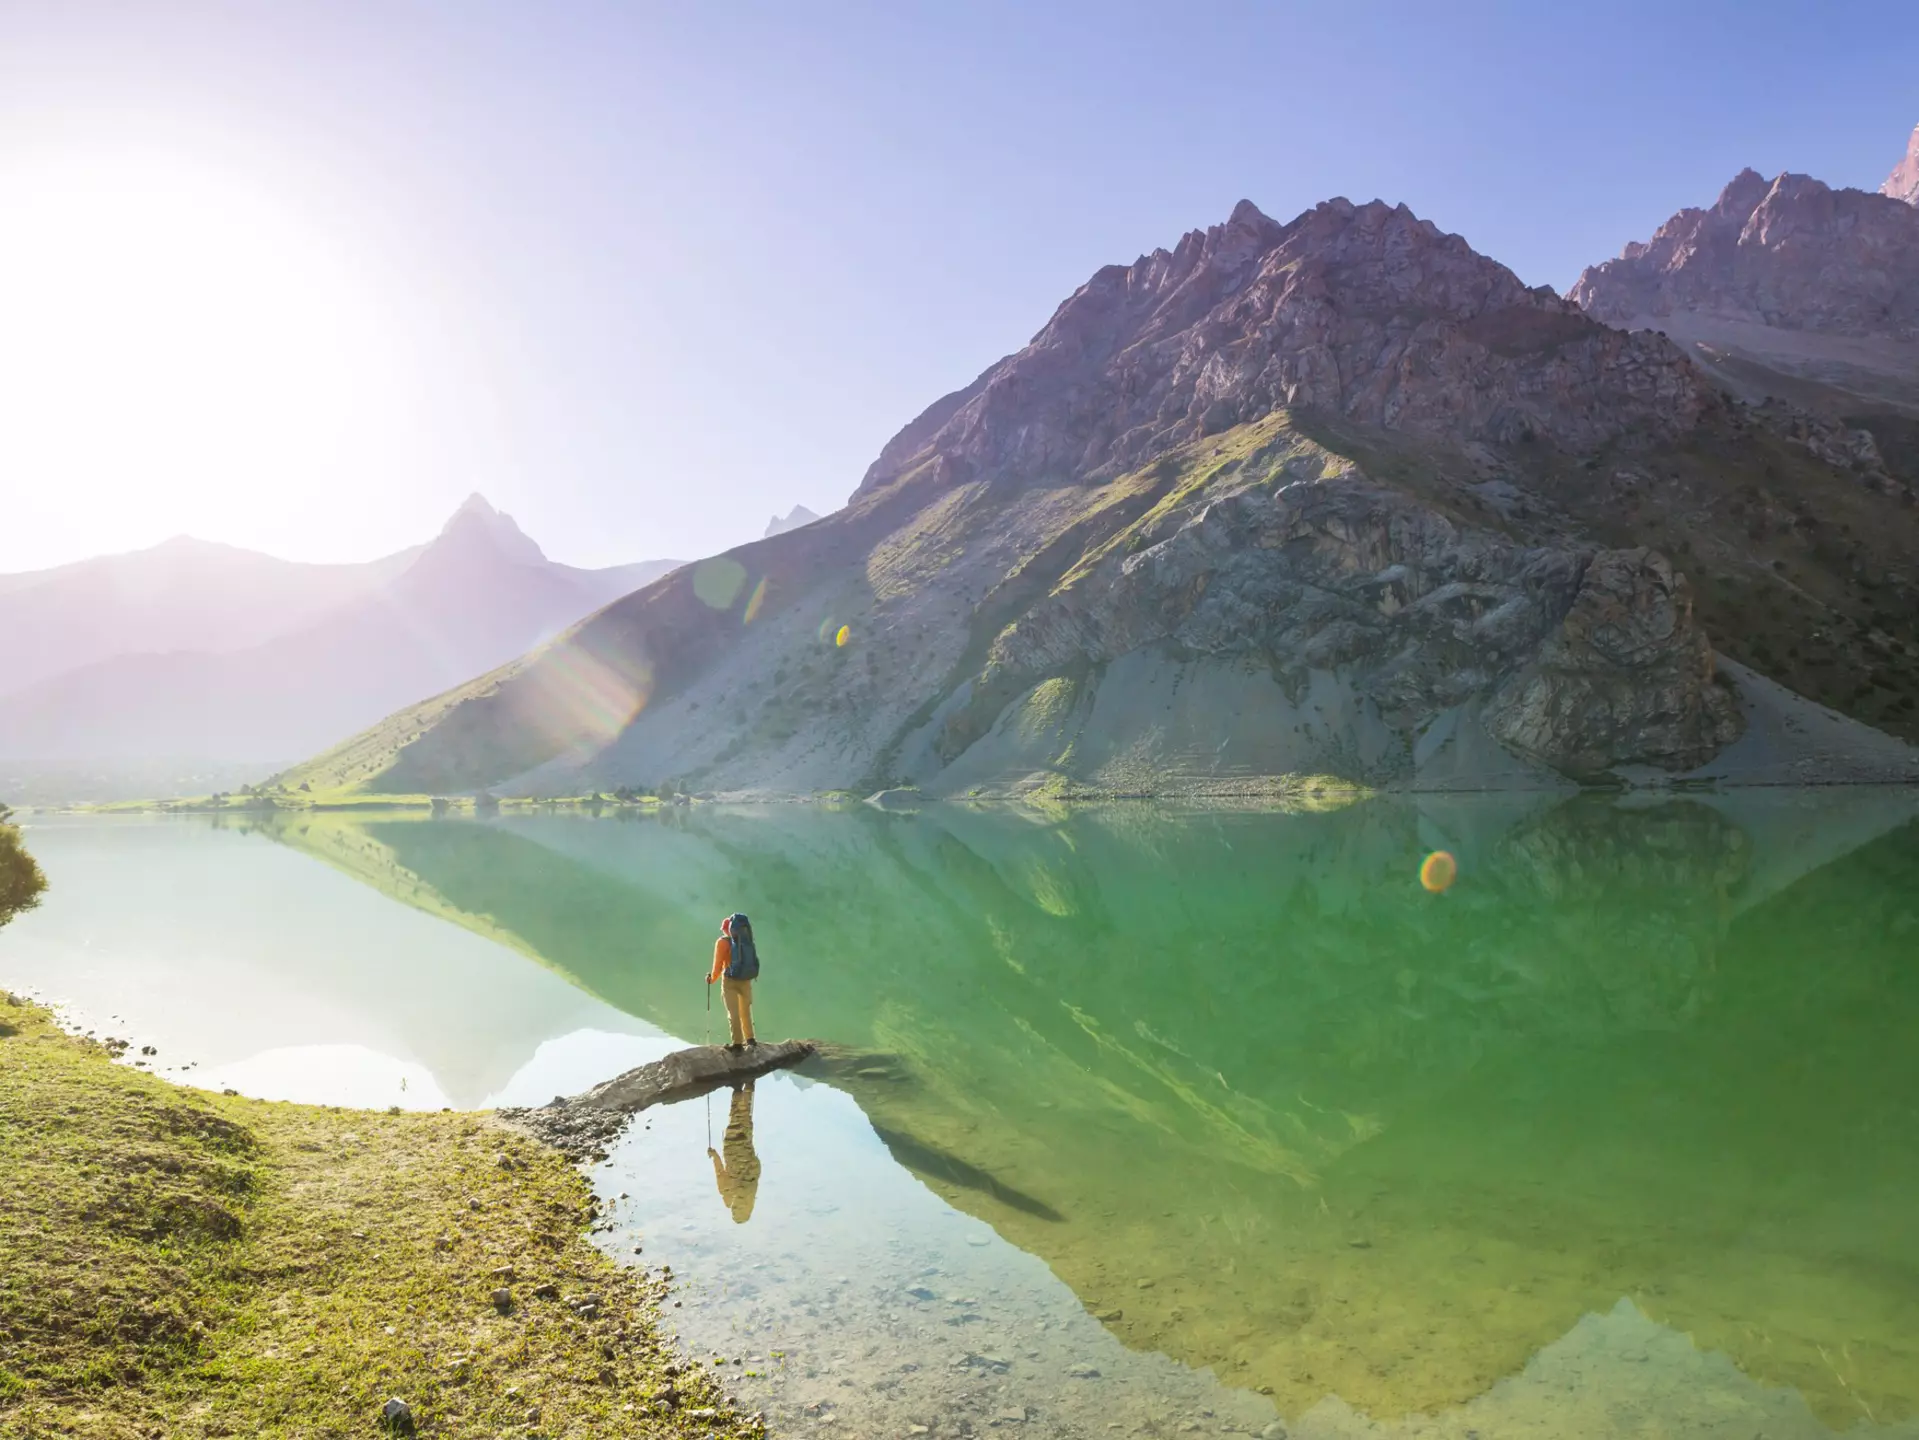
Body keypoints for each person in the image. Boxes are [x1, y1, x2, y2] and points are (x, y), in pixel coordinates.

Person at [708, 1081, 761, 1224]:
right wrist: (714, 1155)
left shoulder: (745, 1191)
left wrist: (716, 1156)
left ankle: (745, 1086)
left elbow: (756, 1166)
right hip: (733, 1147)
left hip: (740, 1145)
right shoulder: (729, 1196)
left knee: (742, 1115)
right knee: (737, 1116)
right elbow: (720, 1173)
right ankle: (740, 1087)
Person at [706, 911, 759, 1053]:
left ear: (726, 929)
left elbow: (717, 966)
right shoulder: (746, 941)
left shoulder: (722, 943)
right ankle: (751, 1040)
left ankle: (737, 1045)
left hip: (730, 980)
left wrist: (711, 979)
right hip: (746, 980)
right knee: (746, 1011)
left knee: (733, 1013)